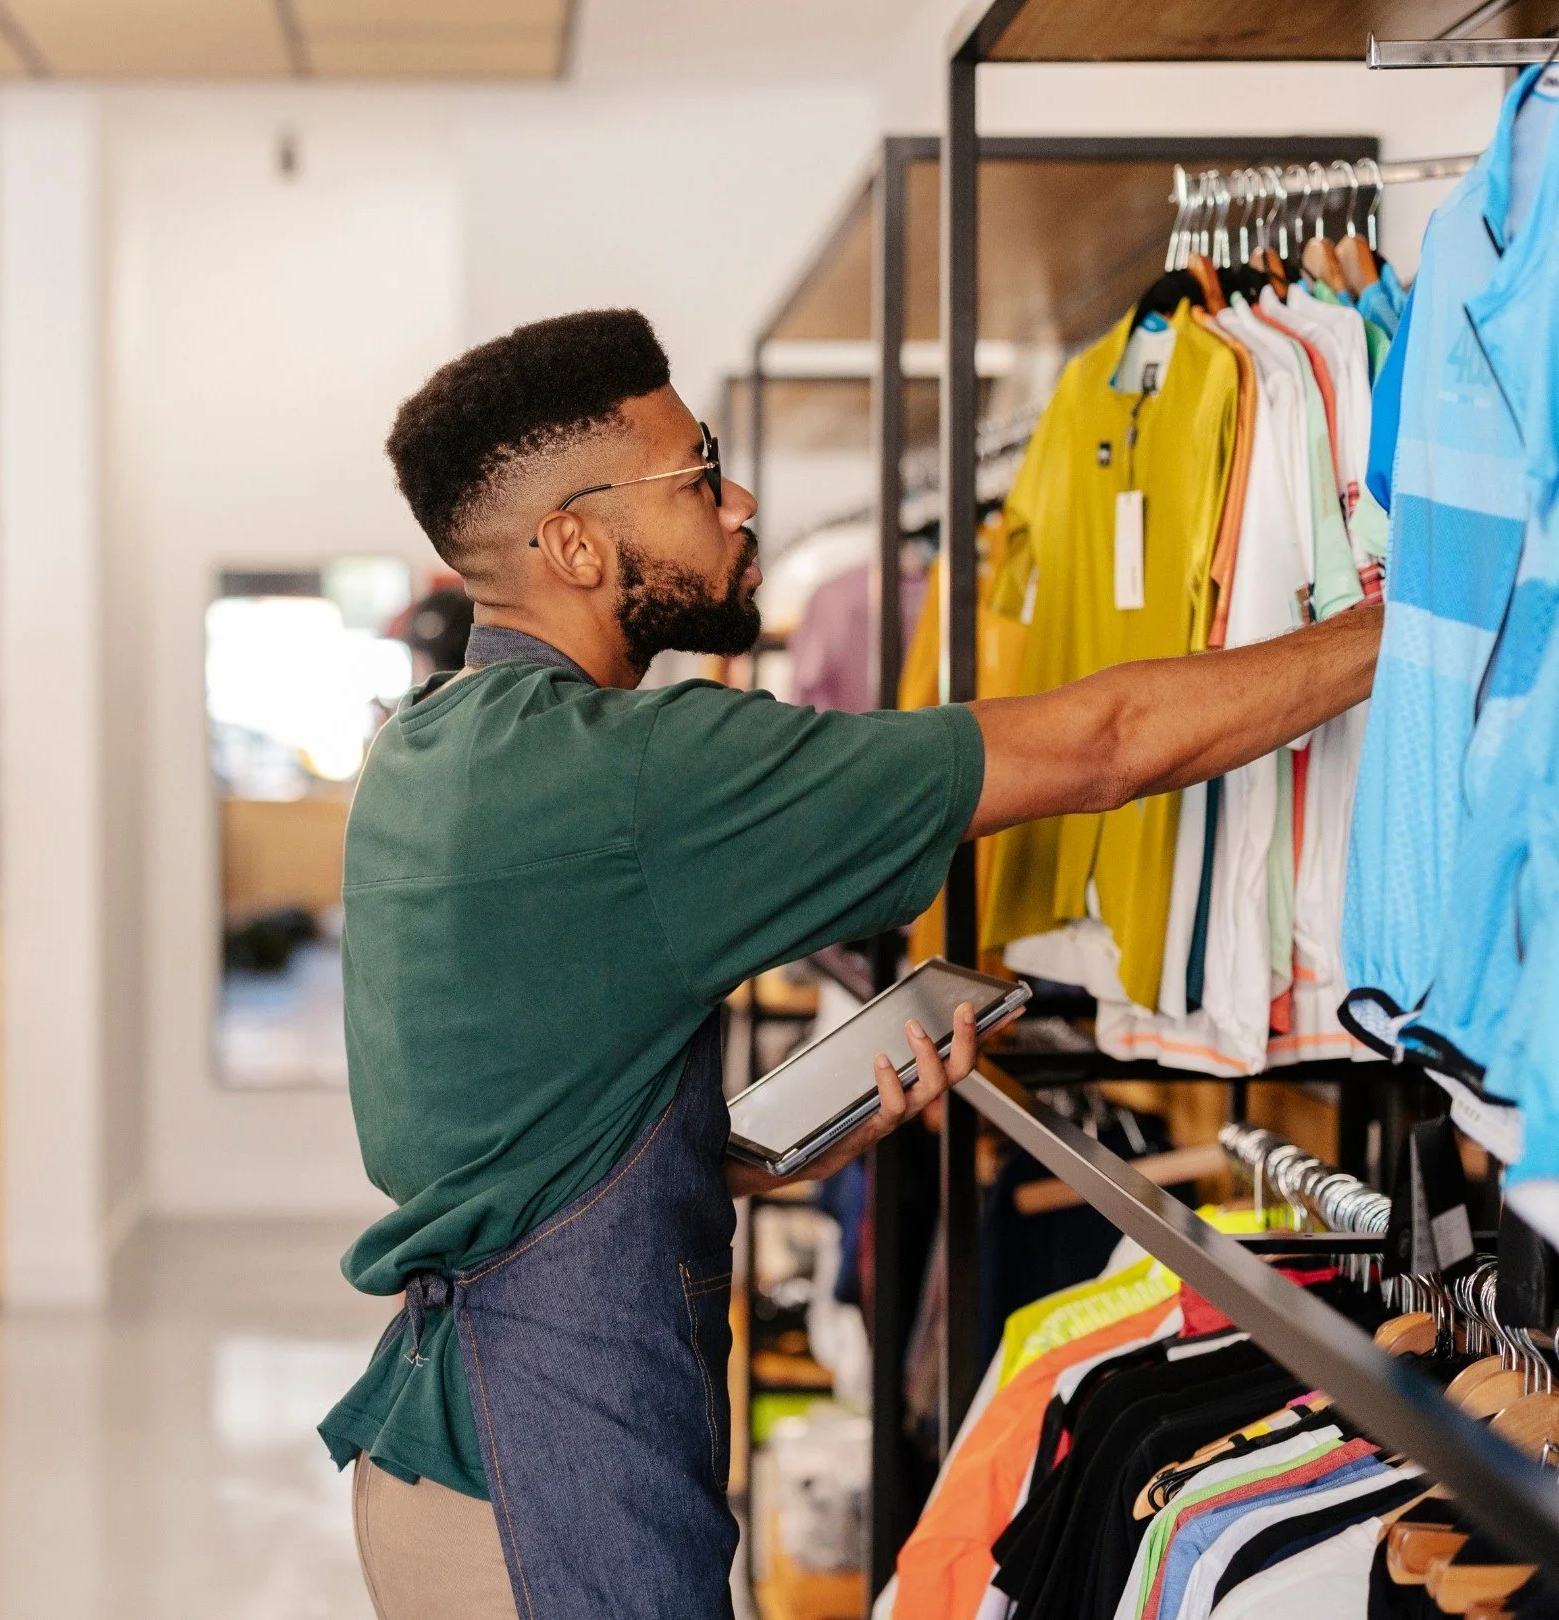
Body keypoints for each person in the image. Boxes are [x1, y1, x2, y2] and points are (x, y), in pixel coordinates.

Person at [319, 309, 1380, 1619]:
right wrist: (1411, 625)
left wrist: (745, 1154)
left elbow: (499, 1112)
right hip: (556, 1492)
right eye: (699, 472)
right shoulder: (636, 773)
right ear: (576, 543)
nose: (741, 500)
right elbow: (1103, 742)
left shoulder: (425, 751)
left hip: (447, 1469)